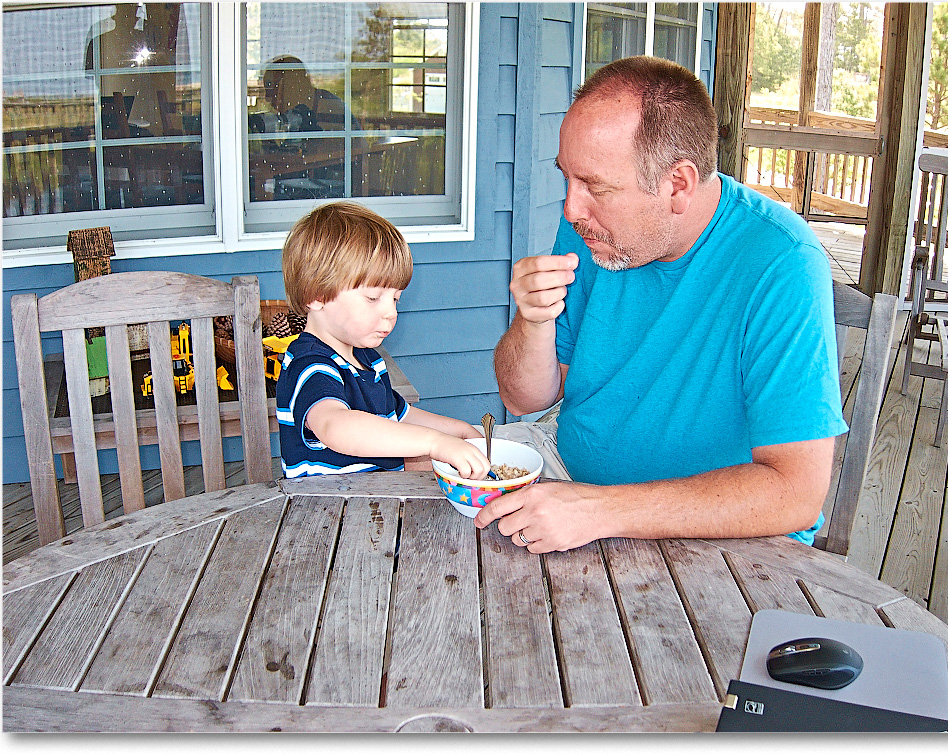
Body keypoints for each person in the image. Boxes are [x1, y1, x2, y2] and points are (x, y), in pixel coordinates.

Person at [478, 56, 848, 554]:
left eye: (597, 187)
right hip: (572, 484)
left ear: (678, 184)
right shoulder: (589, 230)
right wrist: (533, 320)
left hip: (719, 539)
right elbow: (526, 399)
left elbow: (795, 493)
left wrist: (600, 510)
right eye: (568, 178)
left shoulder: (781, 262)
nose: (571, 208)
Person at [277, 201, 490, 480]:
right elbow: (336, 426)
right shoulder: (310, 365)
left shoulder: (366, 359)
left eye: (395, 299)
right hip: (327, 511)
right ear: (315, 295)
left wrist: (459, 431)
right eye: (373, 298)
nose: (390, 312)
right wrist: (434, 443)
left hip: (376, 497)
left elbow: (400, 415)